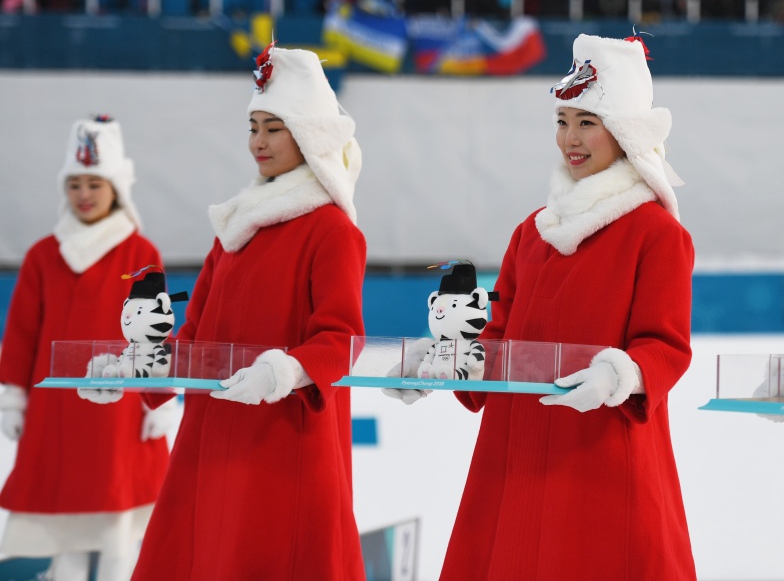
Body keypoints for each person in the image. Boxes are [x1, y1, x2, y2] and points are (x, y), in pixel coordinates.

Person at [421, 34, 696, 580]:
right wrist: (453, 363)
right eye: (562, 120)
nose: (570, 138)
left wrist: (620, 375)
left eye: (586, 122)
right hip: (514, 456)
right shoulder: (533, 231)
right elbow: (494, 337)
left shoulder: (656, 233)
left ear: (624, 131)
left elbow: (666, 347)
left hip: (602, 457)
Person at [122, 46, 367, 579]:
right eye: (253, 125)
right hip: (212, 442)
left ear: (311, 136)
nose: (257, 141)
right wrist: (138, 370)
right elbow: (190, 340)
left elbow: (342, 338)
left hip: (284, 445)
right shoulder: (234, 229)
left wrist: (284, 371)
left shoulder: (332, 231)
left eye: (274, 127)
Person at [0, 116, 175, 581]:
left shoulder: (139, 253)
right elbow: (21, 333)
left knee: (119, 528)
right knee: (69, 530)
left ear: (115, 188)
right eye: (74, 183)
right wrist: (12, 398)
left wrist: (160, 397)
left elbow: (156, 333)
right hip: (56, 412)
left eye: (94, 182)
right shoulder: (43, 255)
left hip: (120, 417)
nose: (84, 193)